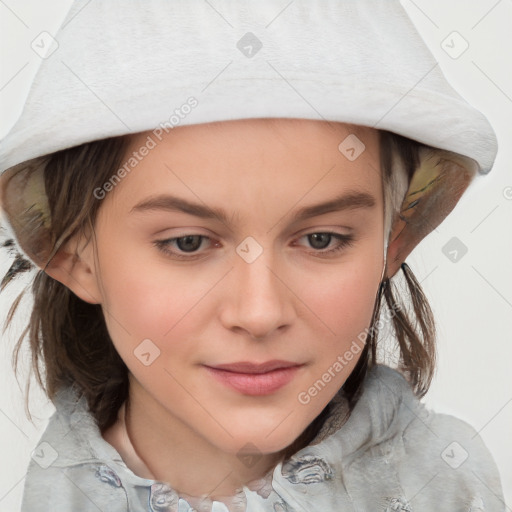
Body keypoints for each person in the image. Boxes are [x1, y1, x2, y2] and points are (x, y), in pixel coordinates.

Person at [0, 1, 505, 511]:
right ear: (74, 255)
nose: (259, 313)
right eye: (188, 243)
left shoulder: (454, 487)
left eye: (321, 239)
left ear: (390, 242)